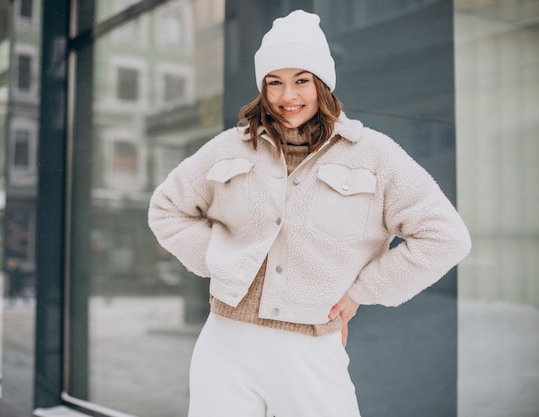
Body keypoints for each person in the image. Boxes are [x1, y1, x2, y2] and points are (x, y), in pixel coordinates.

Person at [148, 9, 471, 417]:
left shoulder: (374, 155)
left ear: (323, 84)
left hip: (311, 348)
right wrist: (221, 259)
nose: (288, 96)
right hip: (224, 344)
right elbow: (167, 209)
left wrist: (361, 292)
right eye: (274, 83)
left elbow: (445, 237)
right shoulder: (231, 147)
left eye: (301, 80)